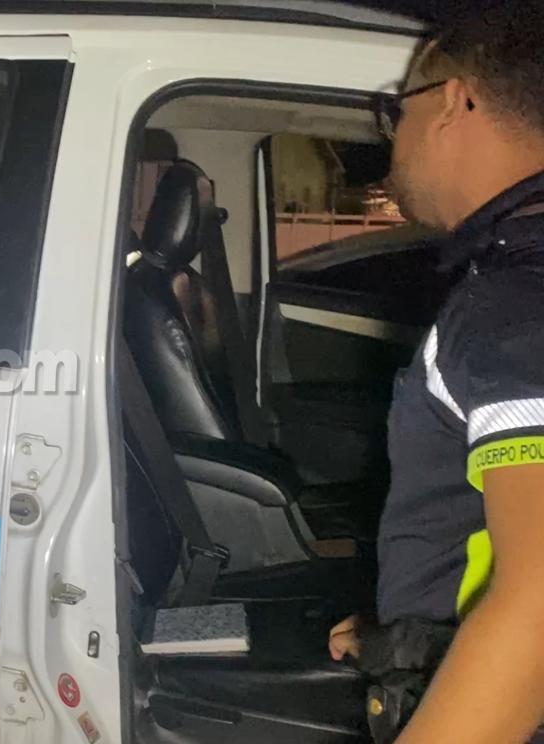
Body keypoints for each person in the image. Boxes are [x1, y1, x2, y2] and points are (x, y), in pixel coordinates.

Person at [327, 3, 544, 742]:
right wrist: (405, 632)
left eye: (398, 111)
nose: (393, 138)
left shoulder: (515, 304)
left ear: (453, 101)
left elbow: (538, 604)